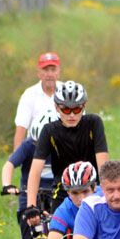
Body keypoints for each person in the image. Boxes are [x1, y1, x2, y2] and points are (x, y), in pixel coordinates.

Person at [25, 80, 109, 222]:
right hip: (64, 190)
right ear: (56, 107)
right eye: (66, 109)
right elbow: (35, 171)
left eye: (76, 109)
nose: (71, 115)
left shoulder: (93, 123)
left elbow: (103, 163)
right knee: (54, 230)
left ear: (84, 106)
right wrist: (31, 206)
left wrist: (107, 191)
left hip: (92, 188)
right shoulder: (49, 130)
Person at [2, 110, 59, 239]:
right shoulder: (28, 145)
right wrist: (7, 184)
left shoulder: (61, 144)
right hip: (29, 194)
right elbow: (9, 164)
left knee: (61, 236)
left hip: (55, 193)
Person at [13, 52, 61, 150]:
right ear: (38, 73)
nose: (50, 74)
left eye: (53, 69)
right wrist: (16, 157)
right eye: (45, 70)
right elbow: (21, 129)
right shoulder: (29, 95)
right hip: (35, 150)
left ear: (59, 72)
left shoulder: (67, 91)